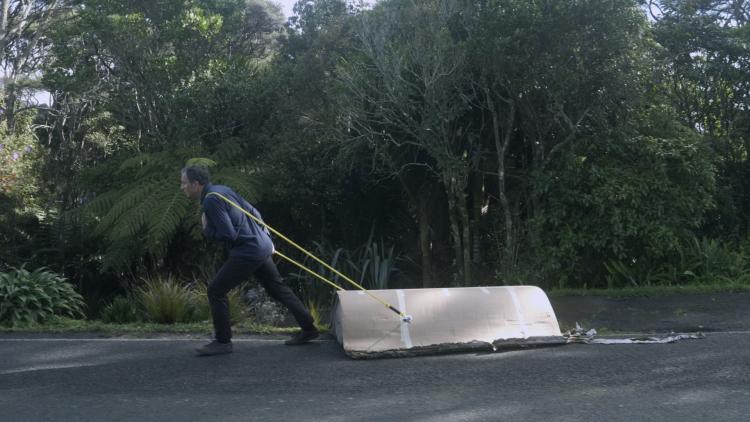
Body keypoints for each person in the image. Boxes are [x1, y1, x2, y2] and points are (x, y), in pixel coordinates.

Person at [180, 165, 319, 356]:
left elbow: (228, 234)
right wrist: (267, 239)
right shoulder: (223, 190)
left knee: (215, 290)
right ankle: (309, 329)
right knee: (277, 288)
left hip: (247, 251)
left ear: (196, 184)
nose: (183, 187)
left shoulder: (211, 201)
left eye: (184, 183)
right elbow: (255, 212)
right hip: (260, 245)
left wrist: (207, 230)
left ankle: (222, 342)